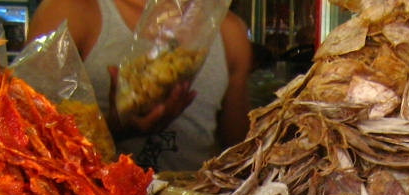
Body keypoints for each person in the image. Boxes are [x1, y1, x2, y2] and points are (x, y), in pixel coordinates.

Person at [27, 0, 253, 171]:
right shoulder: (71, 11)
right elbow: (26, 137)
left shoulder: (229, 32)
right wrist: (115, 128)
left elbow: (239, 151)